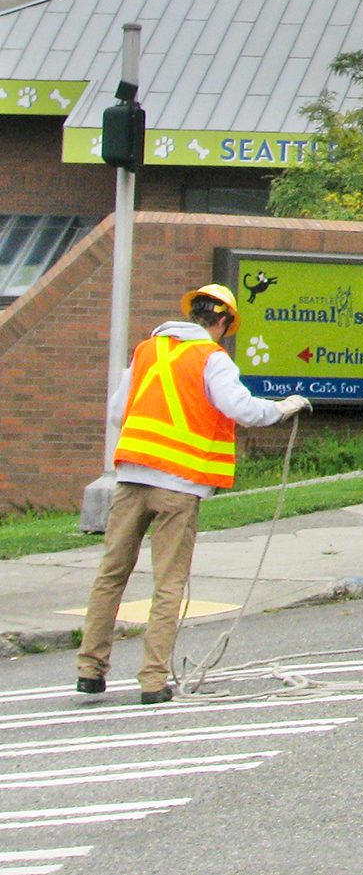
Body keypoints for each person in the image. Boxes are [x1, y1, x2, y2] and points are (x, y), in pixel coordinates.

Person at [76, 284, 310, 704]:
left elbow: (116, 413)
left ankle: (90, 672)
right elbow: (243, 410)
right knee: (168, 584)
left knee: (111, 575)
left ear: (192, 313)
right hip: (178, 487)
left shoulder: (147, 351)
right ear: (222, 322)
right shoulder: (211, 358)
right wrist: (284, 407)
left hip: (131, 479)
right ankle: (151, 682)